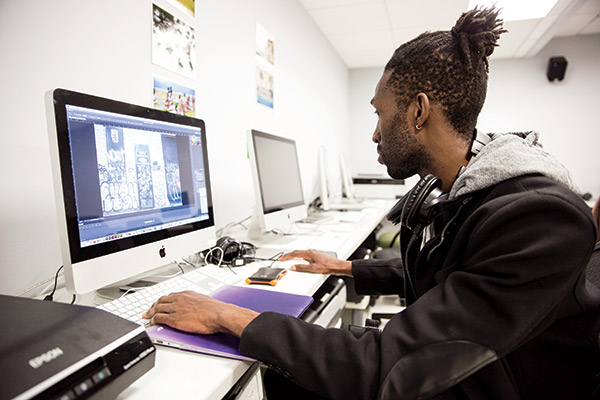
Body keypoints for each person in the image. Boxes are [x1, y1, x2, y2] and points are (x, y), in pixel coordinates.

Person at [143, 6, 600, 399]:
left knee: (281, 377)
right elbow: (452, 273)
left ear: (419, 111)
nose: (375, 133)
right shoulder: (463, 187)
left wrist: (228, 315)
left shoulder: (537, 219)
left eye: (380, 113)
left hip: (491, 385)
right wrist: (345, 268)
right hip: (468, 363)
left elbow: (391, 363)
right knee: (286, 371)